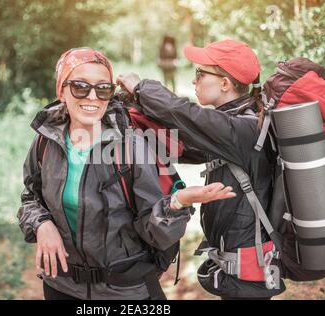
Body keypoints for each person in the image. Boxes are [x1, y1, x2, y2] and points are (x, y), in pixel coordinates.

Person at [17, 47, 236, 300]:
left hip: (125, 291)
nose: (92, 97)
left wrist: (177, 204)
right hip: (60, 286)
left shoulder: (130, 146)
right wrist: (42, 224)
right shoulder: (46, 140)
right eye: (80, 86)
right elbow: (30, 197)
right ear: (61, 91)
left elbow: (152, 230)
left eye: (103, 89)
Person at [117, 39, 286, 300]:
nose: (195, 81)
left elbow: (185, 113)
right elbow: (184, 147)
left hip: (248, 265)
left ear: (225, 83)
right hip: (239, 261)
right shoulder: (234, 124)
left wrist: (141, 88)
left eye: (200, 73)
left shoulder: (242, 129)